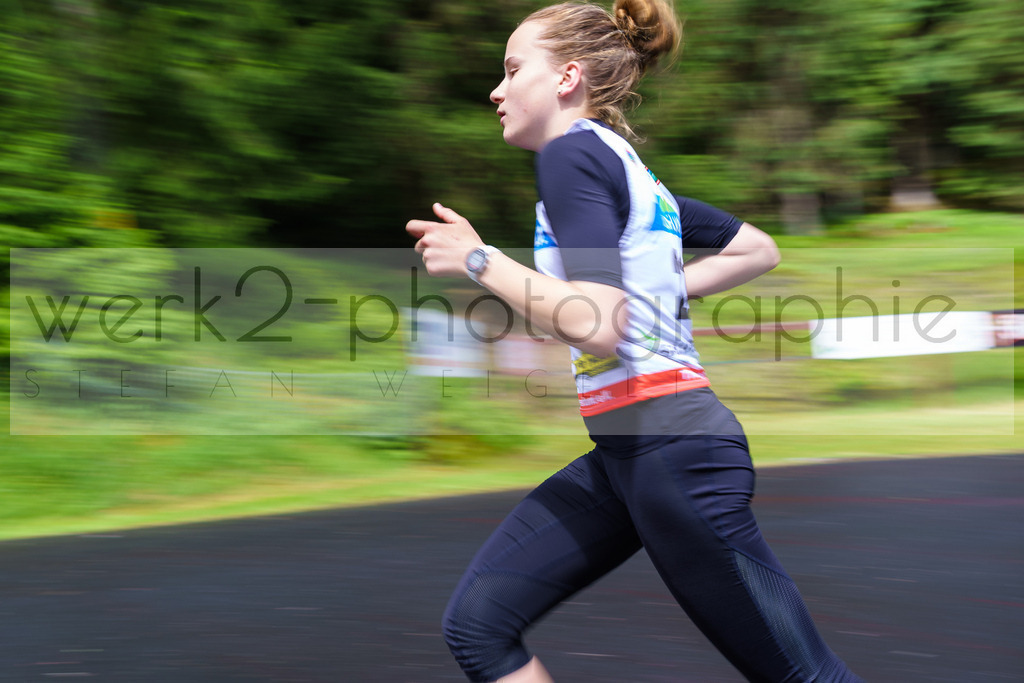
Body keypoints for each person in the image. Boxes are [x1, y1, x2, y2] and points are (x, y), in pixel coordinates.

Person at [406, 1, 864, 681]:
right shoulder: (628, 173)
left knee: (807, 676)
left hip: (673, 453)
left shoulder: (569, 156)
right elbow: (755, 250)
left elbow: (596, 323)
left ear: (566, 77)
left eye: (511, 69)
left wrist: (480, 260)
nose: (496, 90)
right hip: (630, 457)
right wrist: (656, 298)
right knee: (480, 624)